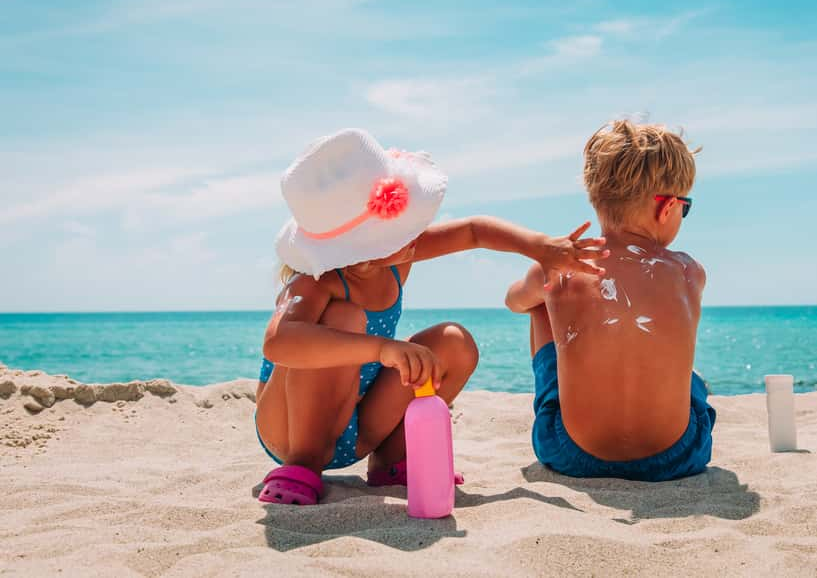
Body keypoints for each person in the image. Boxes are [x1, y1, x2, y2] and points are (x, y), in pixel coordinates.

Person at [256, 128, 608, 504]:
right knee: (345, 318)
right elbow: (280, 342)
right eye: (399, 226)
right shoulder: (317, 282)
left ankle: (392, 459)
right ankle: (304, 465)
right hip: (290, 429)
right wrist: (380, 349)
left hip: (356, 424)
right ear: (363, 248)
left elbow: (474, 231)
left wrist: (539, 247)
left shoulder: (396, 258)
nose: (415, 231)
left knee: (453, 342)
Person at [505, 119, 715, 481]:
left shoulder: (561, 268)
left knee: (540, 303)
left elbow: (513, 301)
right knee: (691, 381)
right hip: (676, 456)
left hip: (572, 453)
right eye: (686, 207)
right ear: (666, 208)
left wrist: (547, 278)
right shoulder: (688, 272)